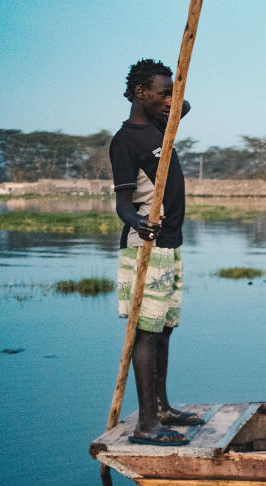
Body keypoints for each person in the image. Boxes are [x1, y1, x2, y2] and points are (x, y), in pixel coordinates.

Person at [110, 58, 201, 446]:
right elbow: (123, 204)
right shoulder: (125, 140)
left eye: (169, 92)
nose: (168, 99)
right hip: (145, 245)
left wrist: (174, 84)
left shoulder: (162, 128)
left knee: (163, 328)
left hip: (170, 243)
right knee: (145, 333)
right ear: (138, 93)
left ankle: (162, 408)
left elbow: (185, 106)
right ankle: (146, 424)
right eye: (160, 93)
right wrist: (138, 223)